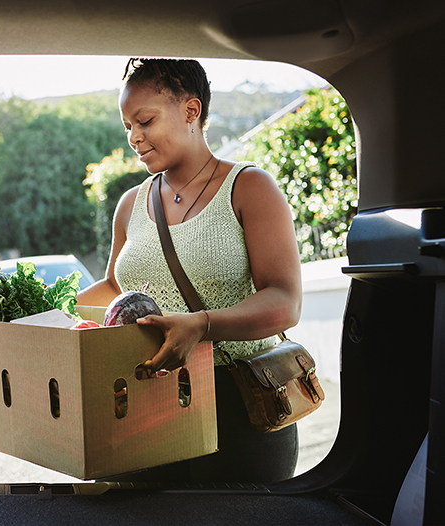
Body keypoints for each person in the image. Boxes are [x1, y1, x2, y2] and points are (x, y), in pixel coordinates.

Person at [77, 58, 303, 483]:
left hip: (237, 411)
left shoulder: (250, 188)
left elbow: (285, 300)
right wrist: (37, 314)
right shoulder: (130, 204)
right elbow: (114, 286)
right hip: (141, 407)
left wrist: (200, 324)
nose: (133, 137)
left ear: (191, 110)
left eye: (144, 120)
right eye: (127, 125)